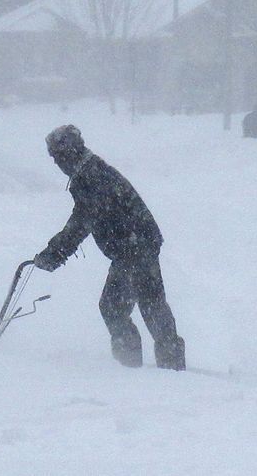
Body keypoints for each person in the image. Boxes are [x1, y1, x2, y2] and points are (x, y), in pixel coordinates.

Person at [33, 125, 186, 371]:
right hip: (137, 244)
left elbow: (82, 221)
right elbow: (83, 217)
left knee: (117, 307)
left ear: (68, 153)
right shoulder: (90, 171)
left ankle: (130, 367)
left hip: (134, 247)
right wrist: (55, 252)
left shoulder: (91, 177)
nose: (56, 164)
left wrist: (54, 254)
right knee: (150, 303)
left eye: (57, 157)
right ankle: (169, 362)